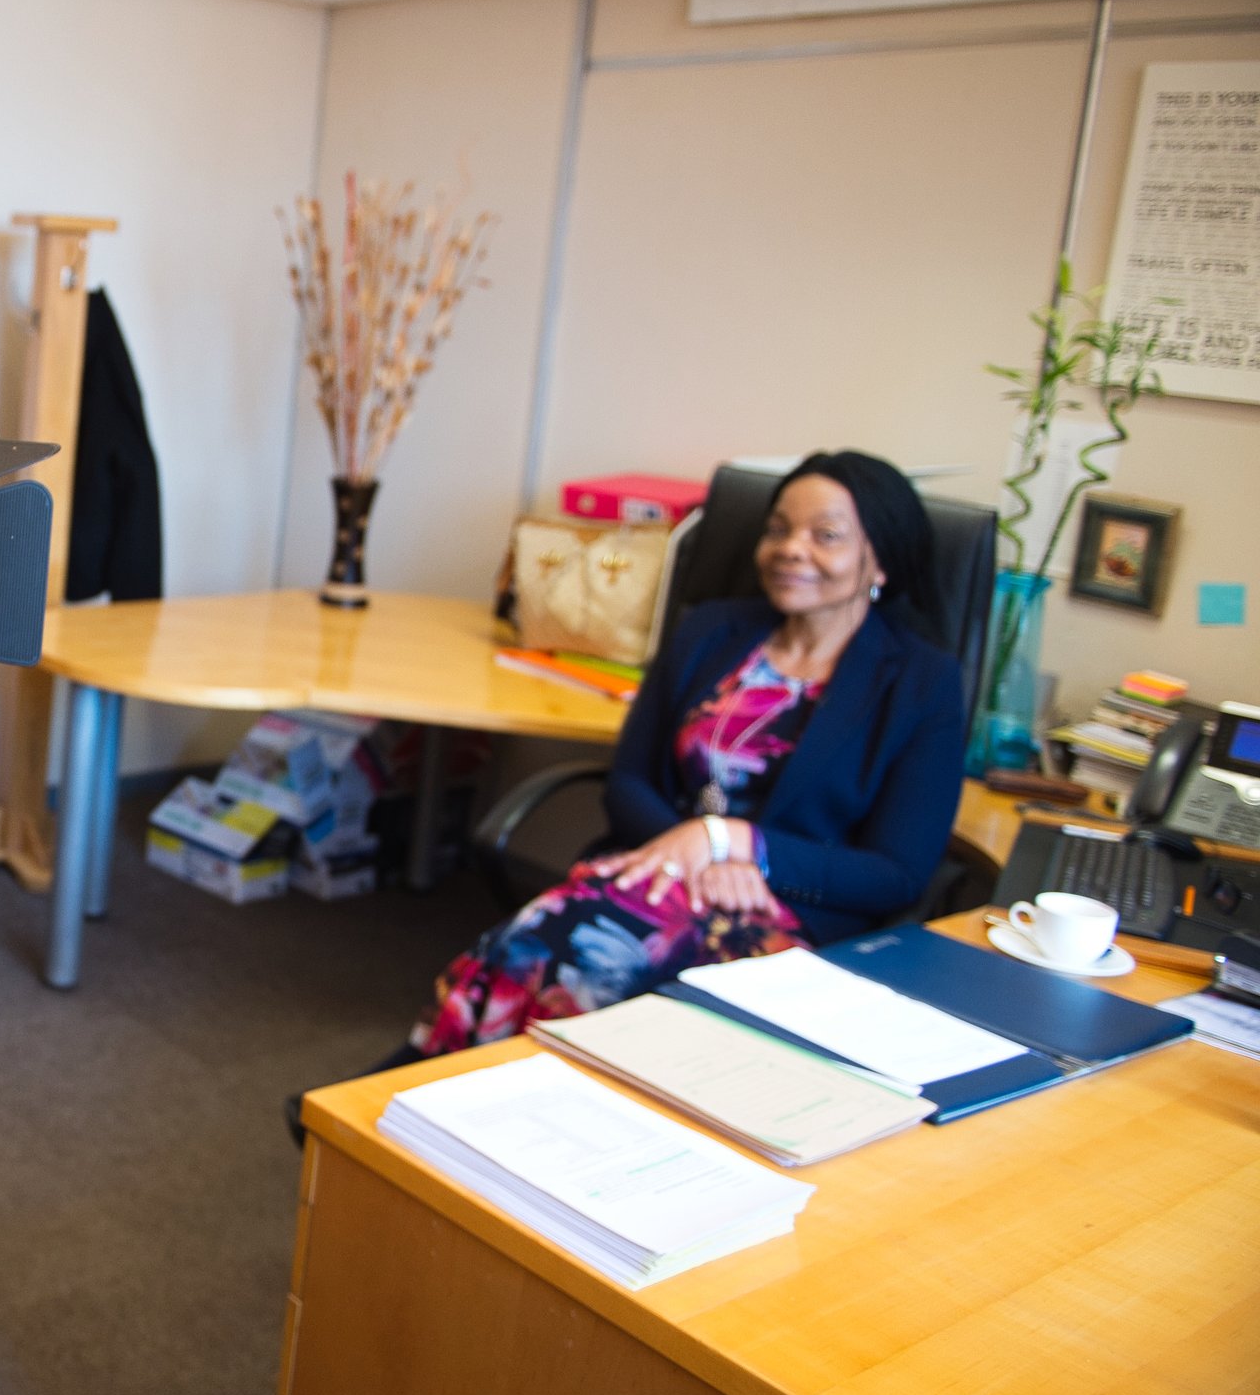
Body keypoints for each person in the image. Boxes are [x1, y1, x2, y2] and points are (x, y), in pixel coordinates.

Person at [410, 450, 964, 1055]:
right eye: (778, 530)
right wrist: (694, 855)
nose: (791, 549)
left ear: (880, 559)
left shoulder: (921, 682)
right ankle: (409, 1087)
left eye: (824, 535)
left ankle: (448, 1084)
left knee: (590, 973)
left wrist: (738, 846)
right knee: (527, 945)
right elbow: (629, 781)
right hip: (656, 873)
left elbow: (897, 874)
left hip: (784, 914)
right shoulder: (712, 631)